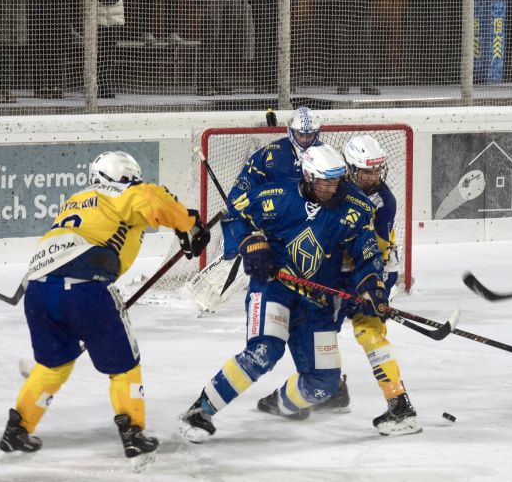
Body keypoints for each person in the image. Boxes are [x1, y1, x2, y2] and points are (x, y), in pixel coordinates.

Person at [0, 151, 210, 470]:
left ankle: (18, 429)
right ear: (126, 177)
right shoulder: (125, 192)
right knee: (125, 365)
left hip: (39, 291)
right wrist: (189, 224)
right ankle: (133, 433)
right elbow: (153, 200)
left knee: (53, 364)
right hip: (85, 290)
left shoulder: (78, 198)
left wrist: (182, 228)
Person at [178, 143, 387, 443]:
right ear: (309, 177)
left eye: (337, 179)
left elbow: (367, 255)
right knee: (265, 351)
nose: (333, 187)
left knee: (324, 384)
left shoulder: (357, 207)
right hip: (274, 287)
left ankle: (277, 403)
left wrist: (372, 286)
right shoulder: (277, 196)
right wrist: (249, 242)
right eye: (326, 181)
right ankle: (200, 410)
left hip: (317, 303)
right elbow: (235, 214)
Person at [306, 135, 420, 436]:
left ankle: (400, 406)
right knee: (322, 330)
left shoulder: (384, 202)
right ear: (350, 170)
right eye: (366, 171)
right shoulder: (334, 187)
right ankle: (331, 389)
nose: (373, 177)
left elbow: (376, 252)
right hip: (333, 274)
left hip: (367, 274)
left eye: (376, 171)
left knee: (370, 333)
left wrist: (375, 286)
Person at [220, 106, 322, 260]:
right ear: (291, 132)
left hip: (312, 228)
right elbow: (243, 185)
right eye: (301, 135)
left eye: (310, 135)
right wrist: (241, 217)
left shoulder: (327, 156)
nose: (305, 140)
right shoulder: (271, 153)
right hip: (272, 227)